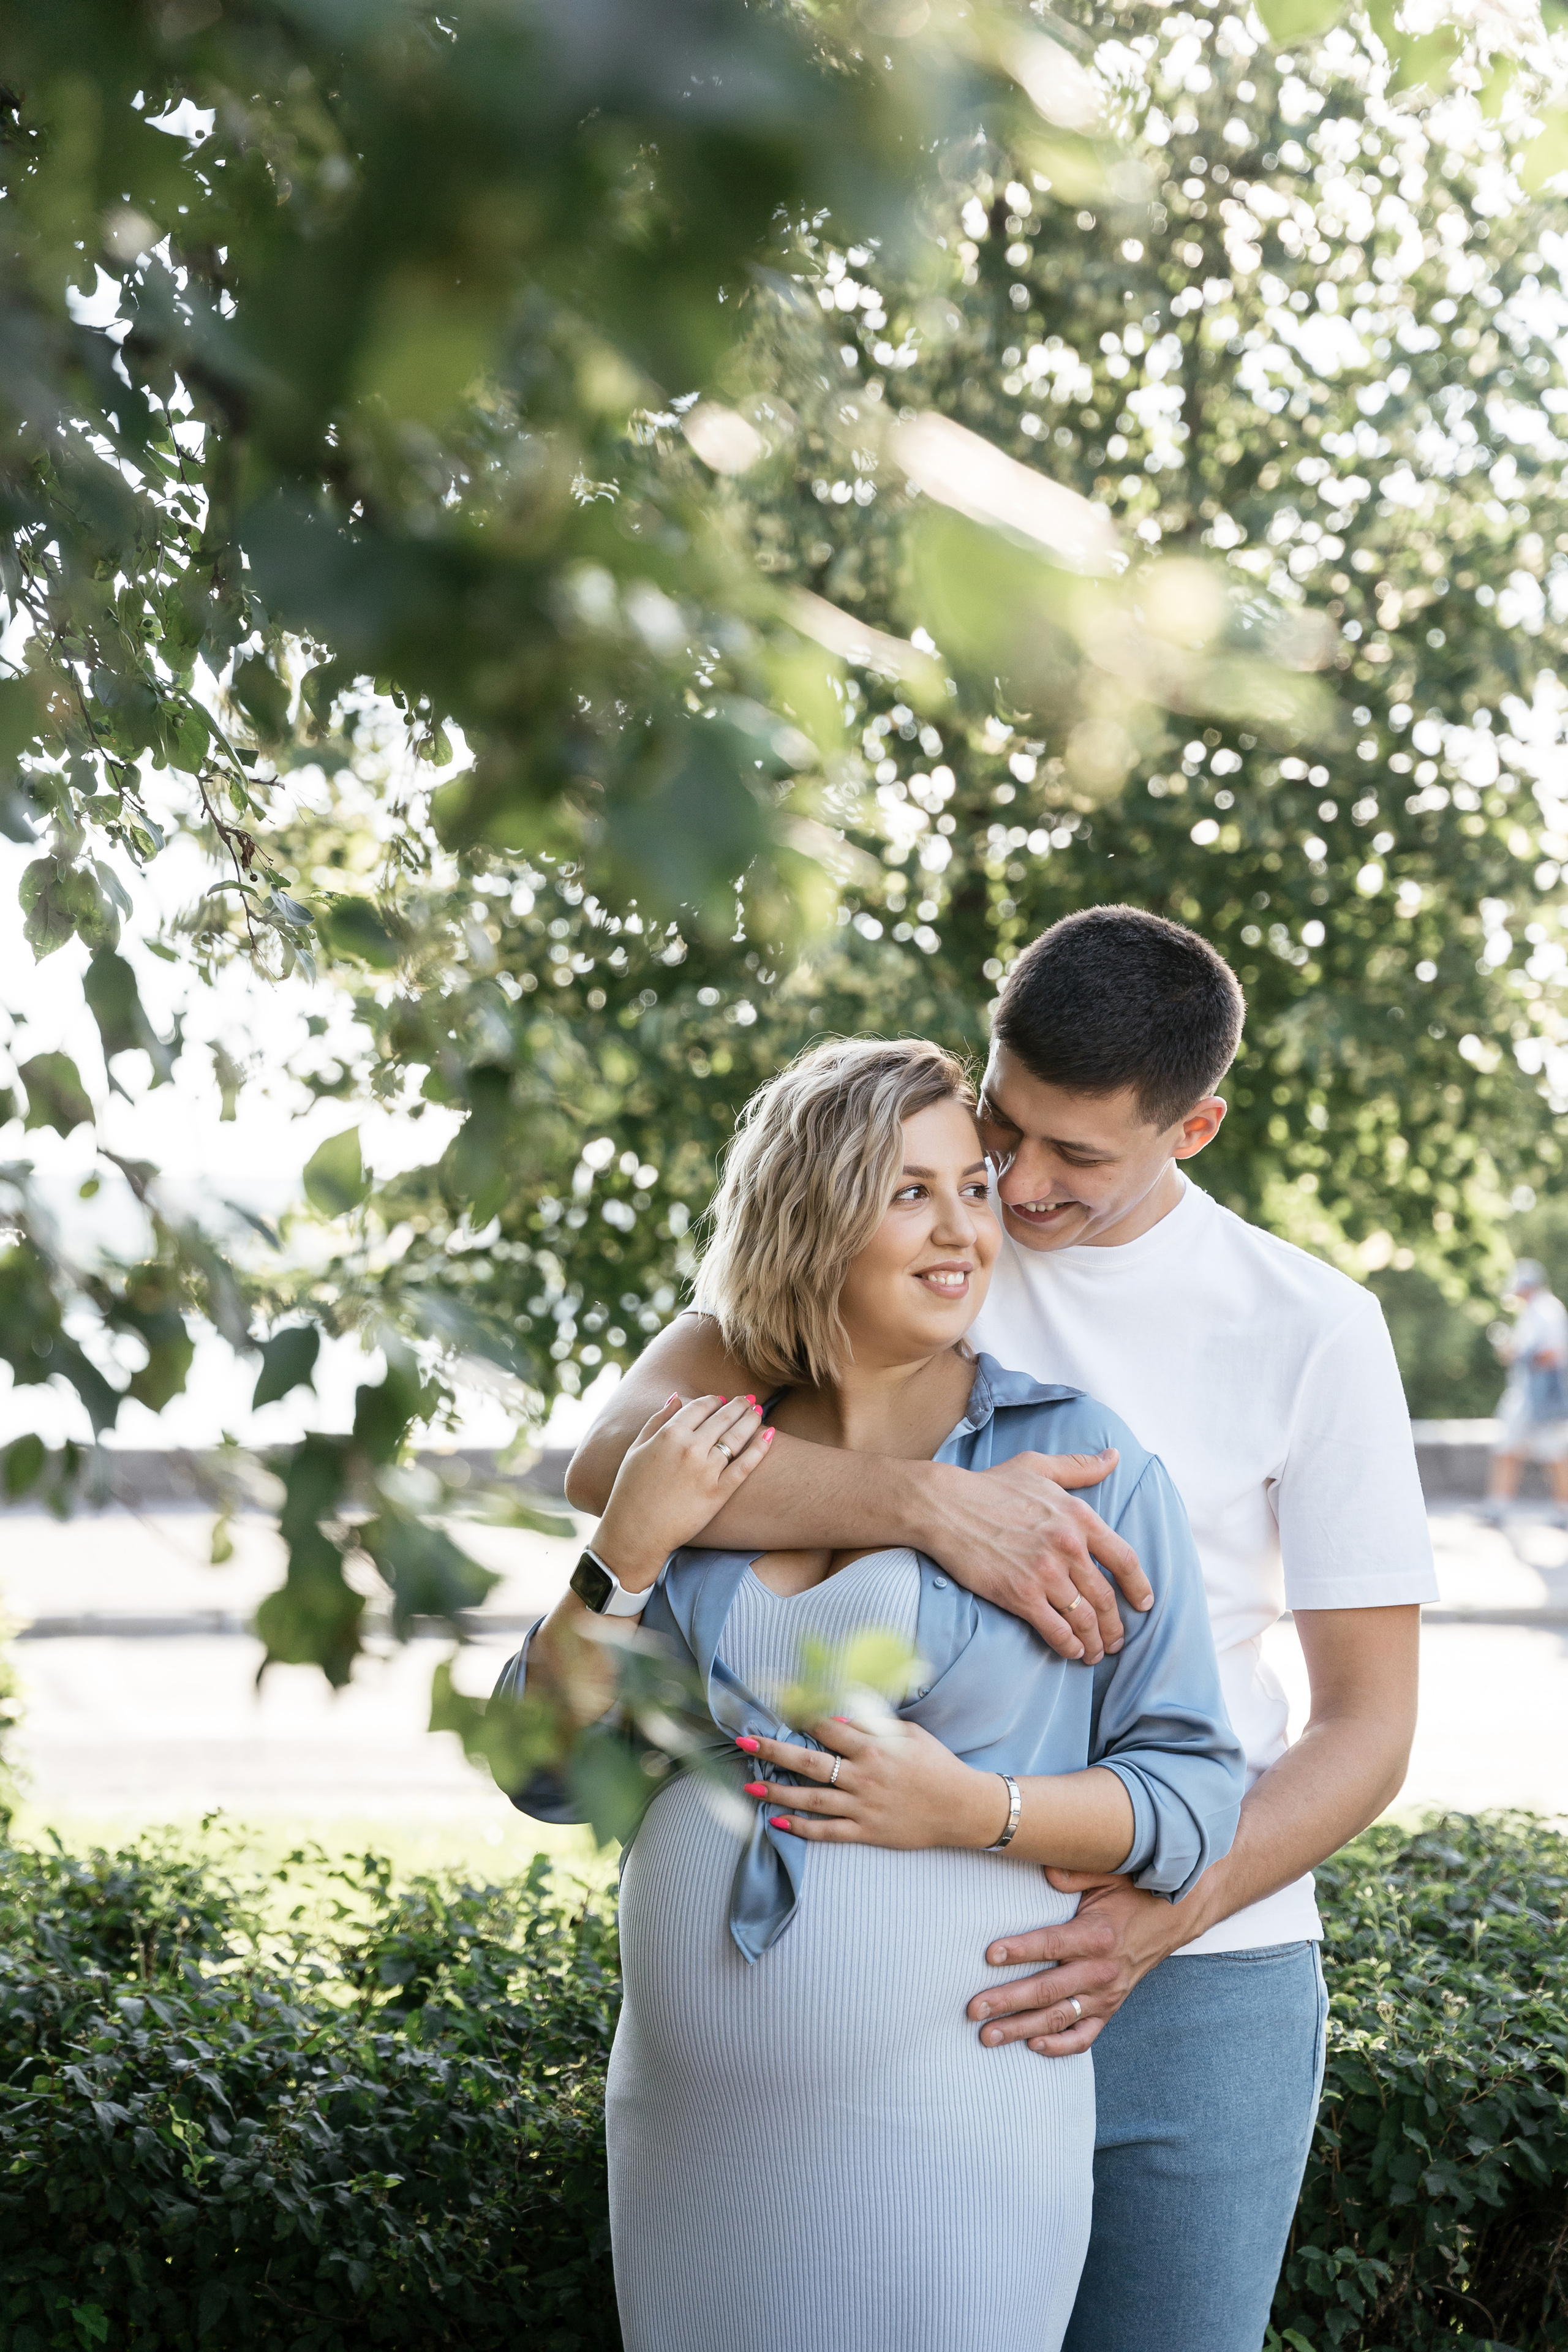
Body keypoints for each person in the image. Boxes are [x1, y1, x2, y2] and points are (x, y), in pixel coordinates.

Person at [568, 907, 1437, 2352]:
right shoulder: (912, 1225)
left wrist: (1164, 1911)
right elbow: (615, 1463)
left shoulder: (1308, 1326)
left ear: (1192, 1128)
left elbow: (1368, 1723)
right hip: (907, 1999)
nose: (1017, 1187)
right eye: (1001, 1126)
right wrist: (926, 1504)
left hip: (1196, 1963)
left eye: (1073, 1157)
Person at [510, 1038, 1245, 2352]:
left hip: (958, 2127)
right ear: (810, 1214)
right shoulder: (704, 1457)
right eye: (911, 1192)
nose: (964, 1227)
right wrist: (624, 1550)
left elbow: (1193, 1794)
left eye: (973, 1186)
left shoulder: (1076, 1462)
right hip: (691, 2141)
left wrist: (977, 1810)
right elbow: (541, 1770)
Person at [1483, 1256, 1568, 1525]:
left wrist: (1519, 1354)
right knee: (1508, 1449)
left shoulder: (1546, 1310)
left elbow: (1553, 1354)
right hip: (1525, 1396)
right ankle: (1497, 1508)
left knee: (1555, 1454)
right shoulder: (1531, 1312)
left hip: (1543, 1398)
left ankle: (1564, 1511)